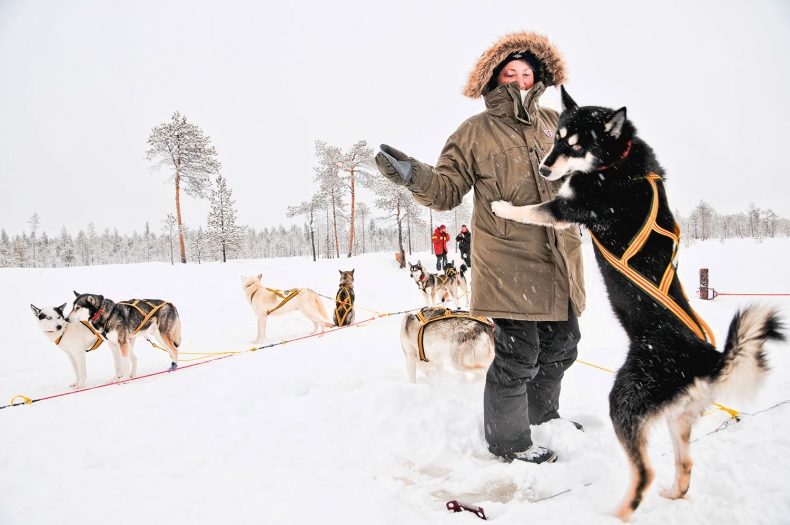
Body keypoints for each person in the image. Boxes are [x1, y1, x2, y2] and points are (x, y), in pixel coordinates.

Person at [374, 32, 586, 465]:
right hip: (509, 260)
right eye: (510, 73)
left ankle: (542, 417)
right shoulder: (475, 132)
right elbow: (446, 190)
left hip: (560, 256)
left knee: (563, 344)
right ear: (494, 78)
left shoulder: (553, 122)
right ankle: (509, 441)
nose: (520, 80)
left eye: (527, 73)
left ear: (538, 78)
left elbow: (582, 169)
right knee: (518, 355)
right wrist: (413, 175)